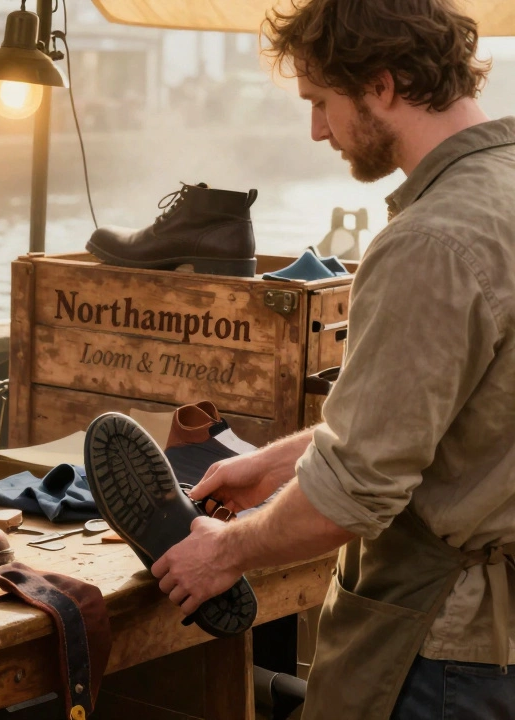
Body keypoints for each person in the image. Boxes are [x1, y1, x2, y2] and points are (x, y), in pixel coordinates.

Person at [149, 0, 515, 717]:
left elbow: (354, 493)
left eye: (321, 101)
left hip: (443, 656)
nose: (316, 129)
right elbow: (455, 421)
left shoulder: (431, 242)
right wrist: (275, 463)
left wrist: (222, 553)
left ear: (381, 84)